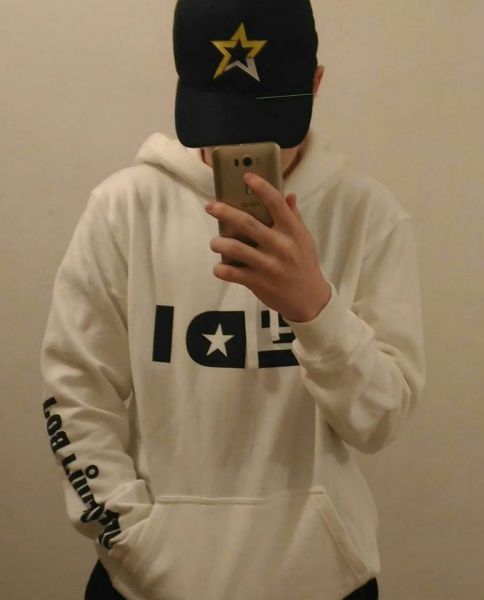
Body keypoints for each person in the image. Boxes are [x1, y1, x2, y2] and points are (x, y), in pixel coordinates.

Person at [39, 0, 426, 598]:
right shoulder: (124, 211)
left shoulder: (367, 217)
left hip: (322, 581)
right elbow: (75, 394)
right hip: (143, 580)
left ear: (315, 82)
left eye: (265, 124)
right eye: (219, 120)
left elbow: (378, 421)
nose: (239, 145)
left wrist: (315, 309)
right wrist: (133, 539)